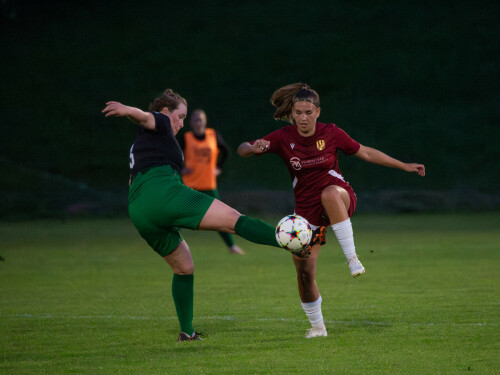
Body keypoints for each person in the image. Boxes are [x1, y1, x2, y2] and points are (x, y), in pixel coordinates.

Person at [237, 83, 425, 339]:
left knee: (328, 193)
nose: (303, 117)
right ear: (292, 113)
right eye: (298, 112)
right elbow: (242, 149)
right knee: (304, 274)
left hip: (340, 197)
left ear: (318, 112)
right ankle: (317, 327)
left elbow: (366, 152)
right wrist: (252, 147)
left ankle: (352, 258)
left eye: (308, 112)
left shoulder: (332, 133)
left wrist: (404, 166)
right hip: (306, 214)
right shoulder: (283, 137)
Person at [102, 89, 284, 342]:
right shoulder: (160, 120)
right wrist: (128, 110)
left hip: (138, 208)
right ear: (166, 112)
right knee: (234, 219)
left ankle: (186, 332)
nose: (181, 123)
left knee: (184, 267)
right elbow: (144, 117)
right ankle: (289, 240)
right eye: (180, 116)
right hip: (163, 192)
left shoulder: (143, 141)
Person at [179, 109, 245, 255]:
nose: (198, 123)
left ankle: (231, 246)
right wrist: (180, 168)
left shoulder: (212, 135)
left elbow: (226, 151)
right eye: (195, 120)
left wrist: (219, 167)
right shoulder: (186, 138)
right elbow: (174, 153)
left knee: (219, 218)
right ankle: (170, 246)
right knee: (177, 216)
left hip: (209, 185)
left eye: (200, 120)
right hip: (189, 186)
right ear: (191, 122)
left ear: (205, 121)